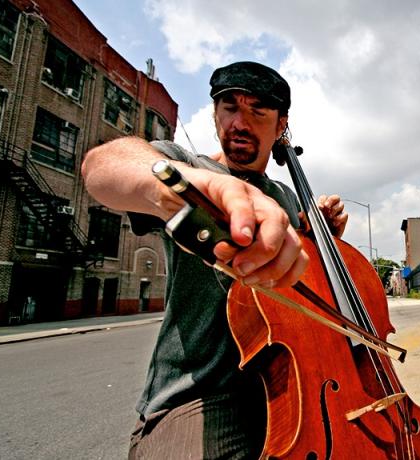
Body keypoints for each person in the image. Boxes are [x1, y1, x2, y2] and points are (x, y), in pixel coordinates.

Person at [81, 61, 348, 459]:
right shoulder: (187, 168)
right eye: (229, 107)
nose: (240, 122)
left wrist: (319, 233)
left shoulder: (289, 199)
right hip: (200, 393)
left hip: (291, 386)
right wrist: (185, 186)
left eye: (258, 111)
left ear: (281, 127)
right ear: (214, 113)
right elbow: (103, 166)